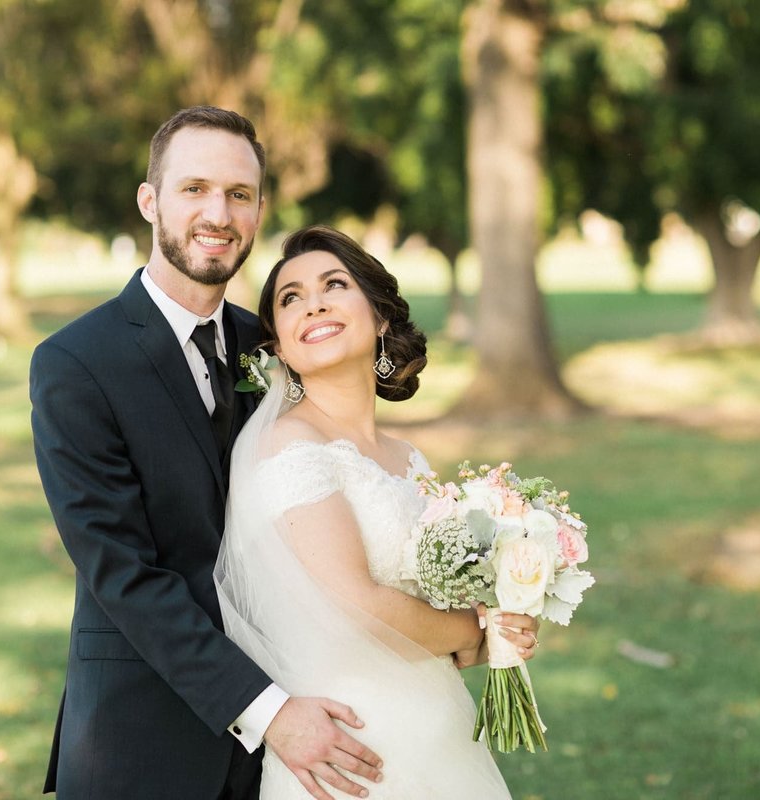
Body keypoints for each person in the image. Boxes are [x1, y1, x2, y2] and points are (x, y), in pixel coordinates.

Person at [31, 107, 386, 799]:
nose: (217, 213)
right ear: (149, 199)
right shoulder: (75, 363)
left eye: (239, 194)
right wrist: (269, 712)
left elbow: (349, 485)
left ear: (259, 211)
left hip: (297, 739)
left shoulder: (275, 345)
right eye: (194, 188)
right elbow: (123, 573)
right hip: (142, 744)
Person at [216, 225, 540, 799]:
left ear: (381, 318)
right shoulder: (290, 447)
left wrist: (498, 614)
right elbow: (357, 604)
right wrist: (470, 631)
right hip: (351, 749)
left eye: (333, 284)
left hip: (439, 728)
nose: (312, 302)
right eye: (290, 298)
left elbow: (424, 598)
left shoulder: (407, 458)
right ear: (281, 347)